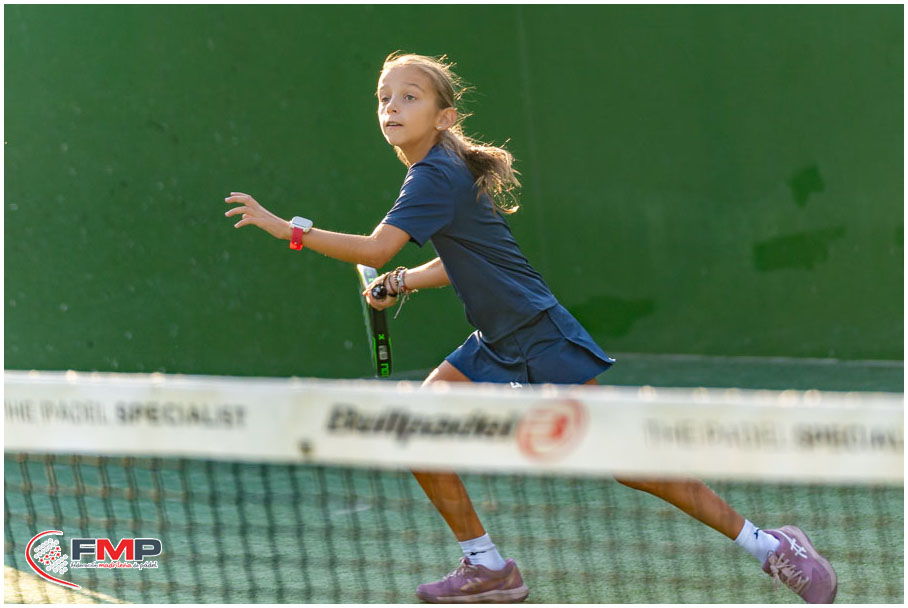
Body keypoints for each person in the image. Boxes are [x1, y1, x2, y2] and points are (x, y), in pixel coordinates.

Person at [224, 52, 837, 604]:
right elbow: (461, 259)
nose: (392, 106)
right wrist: (405, 282)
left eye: (410, 96)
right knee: (417, 429)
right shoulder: (440, 169)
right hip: (497, 341)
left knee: (629, 461)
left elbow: (374, 248)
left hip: (538, 334)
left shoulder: (434, 174)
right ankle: (487, 567)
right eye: (385, 97)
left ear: (443, 116)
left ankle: (772, 545)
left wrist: (290, 230)